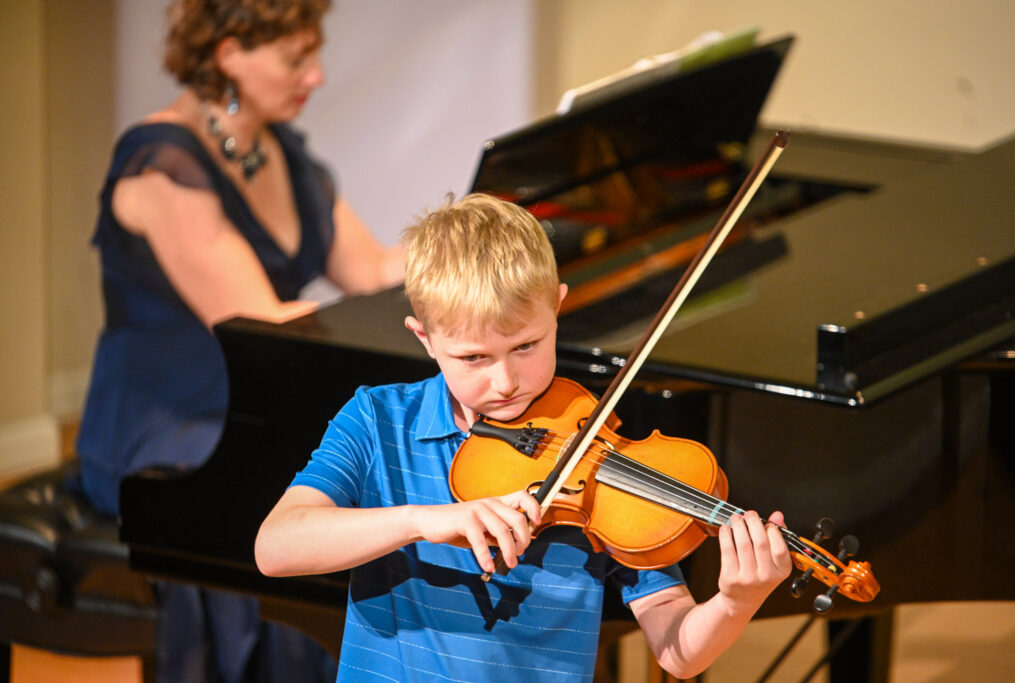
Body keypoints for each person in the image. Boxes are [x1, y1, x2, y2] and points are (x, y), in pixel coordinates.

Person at [254, 193, 793, 681]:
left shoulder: (592, 455)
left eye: (526, 347)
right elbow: (275, 548)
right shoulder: (380, 420)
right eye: (473, 358)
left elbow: (677, 652)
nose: (505, 381)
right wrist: (422, 521)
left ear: (557, 307)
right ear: (425, 338)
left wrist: (734, 603)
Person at [75, 0, 403, 680]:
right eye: (295, 59)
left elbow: (372, 271)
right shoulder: (162, 165)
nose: (315, 75)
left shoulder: (281, 150)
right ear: (229, 55)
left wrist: (480, 238)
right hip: (165, 424)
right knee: (287, 498)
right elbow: (261, 325)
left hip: (251, 407)